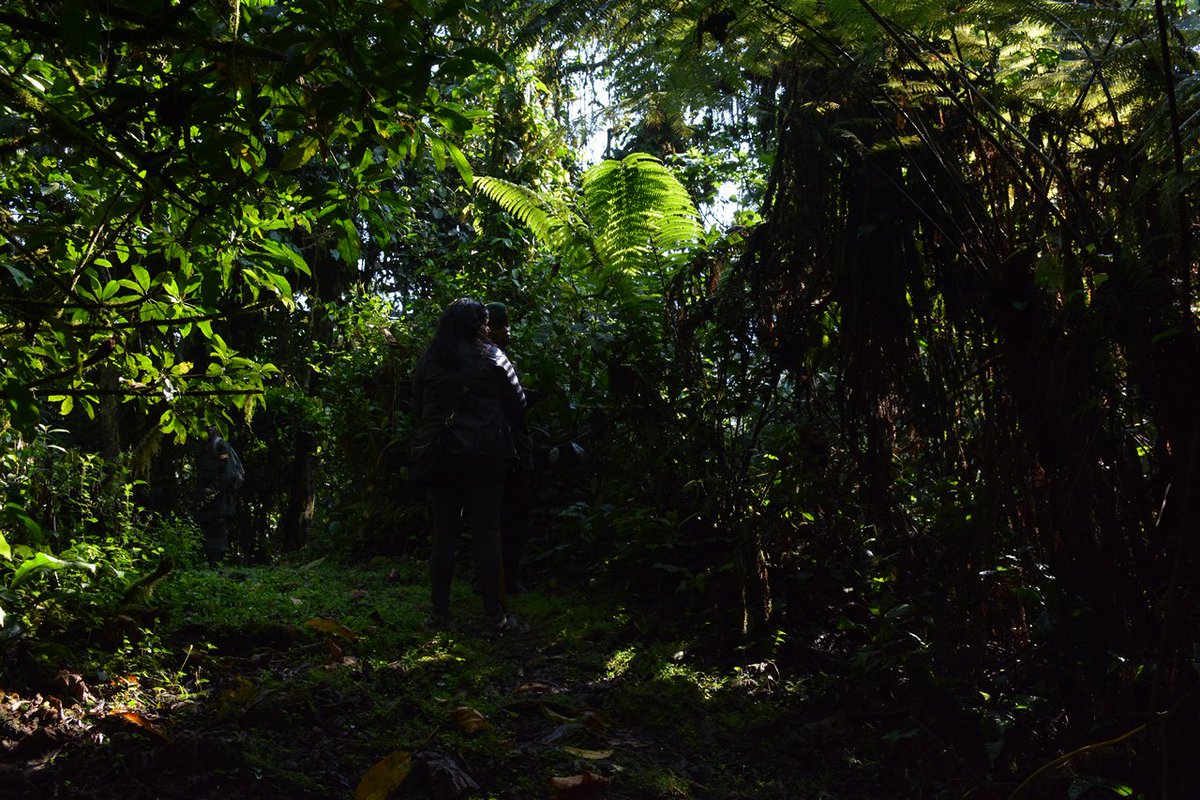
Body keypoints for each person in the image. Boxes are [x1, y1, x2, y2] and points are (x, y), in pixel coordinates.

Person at [411, 298, 527, 632]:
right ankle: (494, 615)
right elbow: (518, 403)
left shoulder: (430, 357)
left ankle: (439, 615)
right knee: (486, 532)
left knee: (444, 533)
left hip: (442, 454)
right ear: (479, 324)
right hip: (487, 456)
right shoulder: (493, 357)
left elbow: (418, 408)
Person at [485, 301, 535, 597]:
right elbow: (515, 405)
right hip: (508, 449)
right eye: (503, 326)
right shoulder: (493, 360)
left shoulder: (485, 359)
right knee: (511, 515)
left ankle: (502, 578)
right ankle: (506, 581)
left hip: (499, 448)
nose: (508, 332)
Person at [195, 424, 242, 565]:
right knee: (208, 527)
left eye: (212, 427)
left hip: (220, 499)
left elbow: (229, 472)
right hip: (207, 499)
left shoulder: (221, 446)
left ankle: (217, 564)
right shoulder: (204, 447)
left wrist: (215, 490)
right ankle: (211, 562)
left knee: (218, 527)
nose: (208, 429)